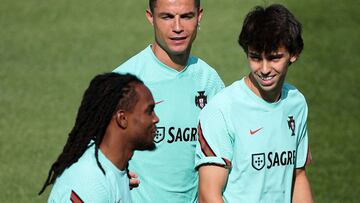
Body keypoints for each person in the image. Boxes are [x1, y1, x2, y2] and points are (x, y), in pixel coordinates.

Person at [195, 4, 314, 203]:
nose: (264, 69)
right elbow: (209, 195)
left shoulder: (296, 103)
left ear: (294, 53)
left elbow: (298, 175)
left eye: (274, 58)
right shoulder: (221, 109)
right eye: (256, 57)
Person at [113, 0, 224, 202]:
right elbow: (91, 153)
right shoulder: (123, 82)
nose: (178, 28)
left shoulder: (210, 81)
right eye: (167, 17)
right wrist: (110, 173)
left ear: (199, 16)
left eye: (186, 16)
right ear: (150, 17)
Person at [38, 72, 159, 202]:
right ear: (122, 118)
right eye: (149, 111)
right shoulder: (89, 182)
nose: (155, 119)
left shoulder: (115, 170)